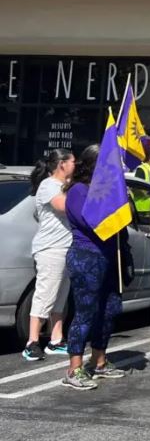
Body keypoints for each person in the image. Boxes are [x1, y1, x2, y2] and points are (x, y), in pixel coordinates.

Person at [61, 144, 133, 390]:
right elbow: (92, 222)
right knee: (86, 312)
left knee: (110, 308)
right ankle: (74, 368)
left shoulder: (110, 190)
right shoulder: (78, 191)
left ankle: (99, 361)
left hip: (110, 257)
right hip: (86, 256)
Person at [23, 149, 75, 361]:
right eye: (73, 161)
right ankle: (32, 342)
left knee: (60, 296)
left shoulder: (65, 186)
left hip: (66, 247)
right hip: (51, 249)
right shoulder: (48, 185)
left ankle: (56, 340)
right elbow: (63, 206)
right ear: (62, 164)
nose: (76, 164)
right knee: (45, 295)